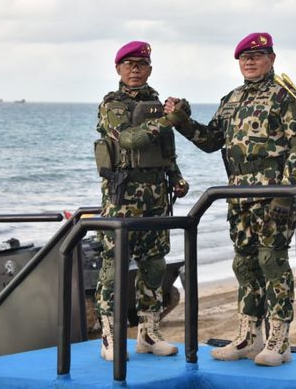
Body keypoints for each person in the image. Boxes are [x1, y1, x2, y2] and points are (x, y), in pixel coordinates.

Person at [165, 32, 296, 366]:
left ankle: (279, 339)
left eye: (257, 56)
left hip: (273, 197)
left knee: (273, 263)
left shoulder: (284, 96)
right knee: (244, 264)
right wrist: (181, 122)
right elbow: (210, 140)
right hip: (238, 198)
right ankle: (249, 336)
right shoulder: (231, 99)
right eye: (244, 57)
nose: (249, 61)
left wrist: (287, 193)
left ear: (271, 59)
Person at [94, 40, 190, 361]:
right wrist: (169, 119)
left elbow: (166, 150)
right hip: (122, 198)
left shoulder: (156, 104)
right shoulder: (112, 105)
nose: (135, 70)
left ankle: (148, 333)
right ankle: (109, 335)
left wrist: (176, 178)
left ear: (149, 69)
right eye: (129, 64)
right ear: (118, 69)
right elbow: (131, 139)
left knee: (154, 265)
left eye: (141, 65)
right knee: (113, 266)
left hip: (156, 197)